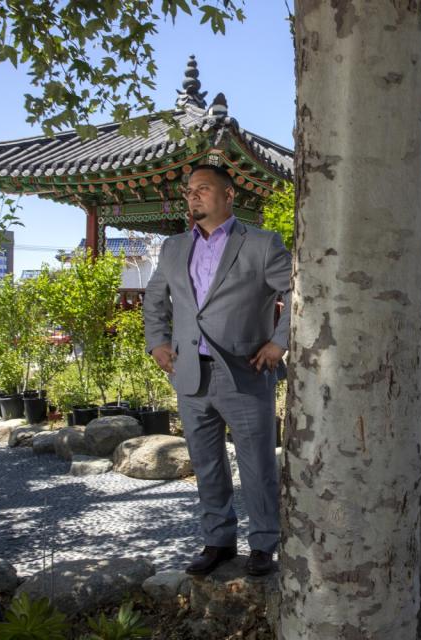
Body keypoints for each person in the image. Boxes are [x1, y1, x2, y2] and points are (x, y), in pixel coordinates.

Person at [143, 163, 291, 577]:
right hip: (190, 373)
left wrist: (280, 341)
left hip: (244, 371)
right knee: (206, 463)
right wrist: (157, 341)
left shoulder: (260, 244)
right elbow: (155, 299)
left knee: (257, 464)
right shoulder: (173, 247)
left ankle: (264, 544)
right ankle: (218, 541)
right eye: (189, 190)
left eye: (203, 189)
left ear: (229, 195)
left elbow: (300, 288)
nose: (192, 196)